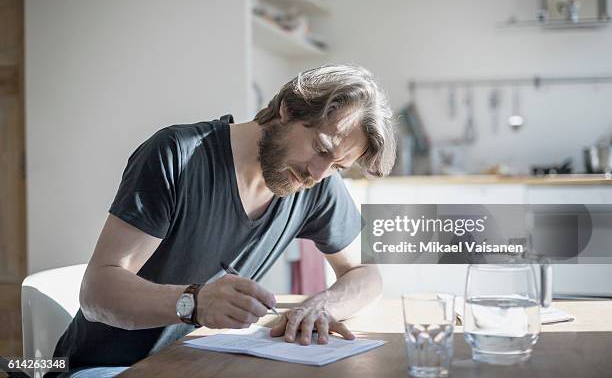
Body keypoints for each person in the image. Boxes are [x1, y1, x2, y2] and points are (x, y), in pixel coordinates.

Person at [52, 64, 396, 377]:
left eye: (337, 166)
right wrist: (194, 302)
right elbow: (97, 291)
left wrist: (319, 306)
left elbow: (366, 273)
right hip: (107, 368)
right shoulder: (177, 154)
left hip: (200, 366)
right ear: (287, 109)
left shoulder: (316, 186)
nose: (319, 173)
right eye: (321, 149)